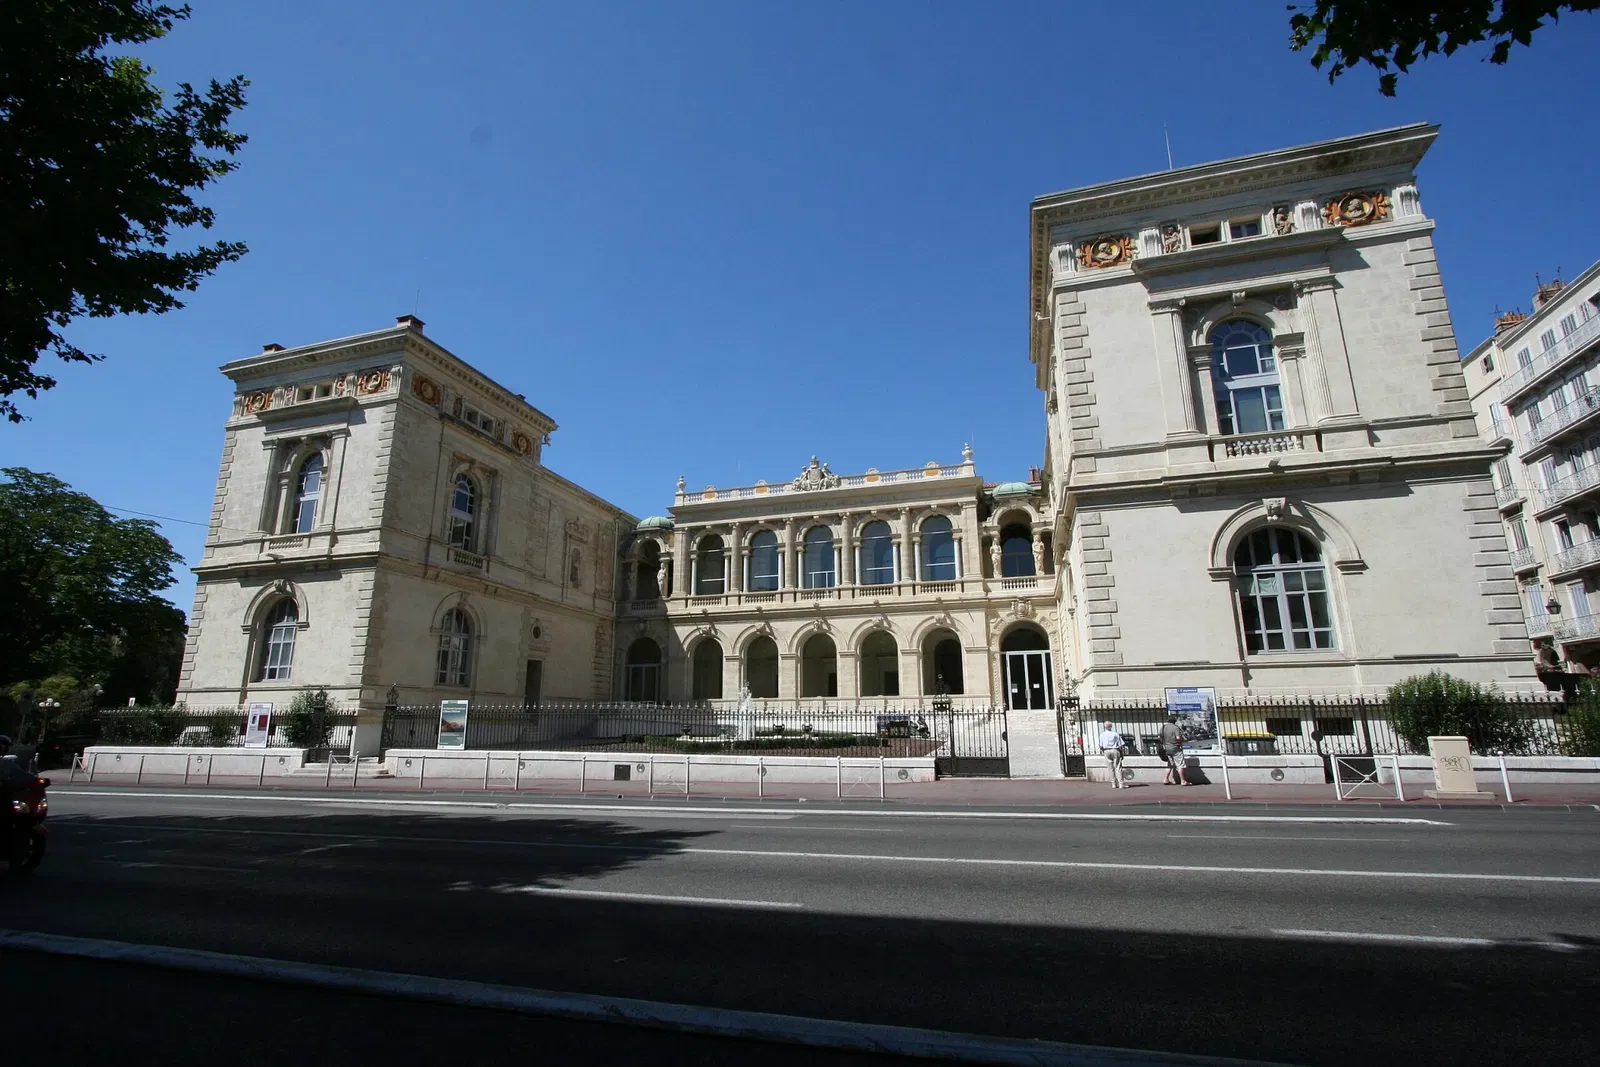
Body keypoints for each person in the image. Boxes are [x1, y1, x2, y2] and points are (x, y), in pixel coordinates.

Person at [1158, 715, 1187, 786]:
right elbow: (1178, 738)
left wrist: (1165, 743)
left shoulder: (1163, 727)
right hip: (1175, 748)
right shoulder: (1175, 728)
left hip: (1167, 748)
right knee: (1180, 764)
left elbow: (1159, 737)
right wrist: (1180, 743)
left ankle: (1166, 779)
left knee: (1169, 764)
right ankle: (1183, 781)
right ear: (1175, 721)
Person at [1098, 721, 1127, 789]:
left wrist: (1103, 751)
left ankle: (1113, 783)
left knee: (1110, 768)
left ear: (1105, 727)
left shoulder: (1102, 735)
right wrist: (1122, 753)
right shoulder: (1115, 734)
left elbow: (1101, 745)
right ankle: (1121, 784)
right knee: (1118, 767)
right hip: (1115, 750)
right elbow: (1121, 745)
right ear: (1111, 726)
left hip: (1106, 750)